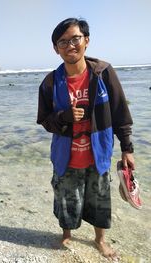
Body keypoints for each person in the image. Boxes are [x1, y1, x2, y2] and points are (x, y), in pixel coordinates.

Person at [37, 18, 134, 260]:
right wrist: (63, 117)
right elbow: (44, 120)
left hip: (98, 153)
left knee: (100, 200)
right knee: (66, 200)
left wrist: (127, 148)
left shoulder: (103, 73)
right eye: (63, 42)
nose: (70, 45)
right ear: (55, 48)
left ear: (86, 41)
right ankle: (66, 234)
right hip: (65, 156)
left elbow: (121, 111)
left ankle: (100, 239)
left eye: (75, 39)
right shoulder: (50, 82)